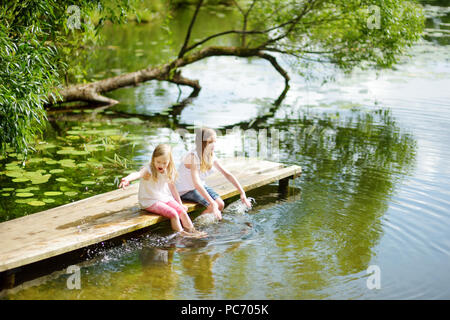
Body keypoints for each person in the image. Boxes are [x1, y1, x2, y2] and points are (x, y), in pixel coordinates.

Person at [119, 144, 205, 237]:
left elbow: (173, 188)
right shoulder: (149, 170)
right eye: (158, 162)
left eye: (164, 163)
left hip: (164, 198)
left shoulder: (168, 170)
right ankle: (181, 233)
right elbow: (137, 174)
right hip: (150, 200)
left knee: (182, 211)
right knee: (173, 214)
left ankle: (192, 230)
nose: (161, 165)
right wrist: (127, 179)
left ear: (169, 161)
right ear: (153, 159)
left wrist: (180, 204)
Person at [176, 127, 252, 220]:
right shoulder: (193, 157)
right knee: (213, 206)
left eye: (215, 141)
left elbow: (227, 174)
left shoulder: (210, 154)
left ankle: (210, 226)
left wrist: (242, 192)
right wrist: (212, 203)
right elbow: (196, 183)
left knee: (220, 204)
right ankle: (194, 227)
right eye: (210, 142)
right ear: (202, 143)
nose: (213, 145)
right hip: (186, 189)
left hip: (200, 185)